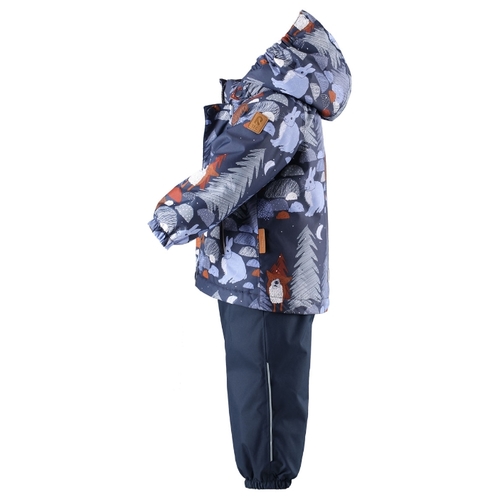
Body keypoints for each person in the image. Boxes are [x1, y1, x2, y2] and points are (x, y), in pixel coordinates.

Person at [148, 10, 351, 489]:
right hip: (261, 269)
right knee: (265, 374)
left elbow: (233, 171)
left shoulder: (275, 103)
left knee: (261, 378)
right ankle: (267, 472)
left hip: (263, 275)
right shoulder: (280, 95)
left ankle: (269, 477)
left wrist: (170, 216)